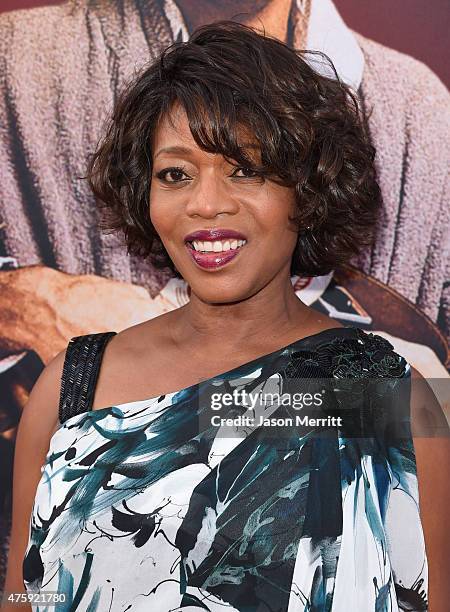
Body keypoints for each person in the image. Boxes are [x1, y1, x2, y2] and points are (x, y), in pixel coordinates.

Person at [2, 21, 449, 612]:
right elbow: (23, 597)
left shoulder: (390, 402)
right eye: (175, 174)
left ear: (309, 191)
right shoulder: (73, 387)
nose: (206, 204)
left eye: (246, 168)